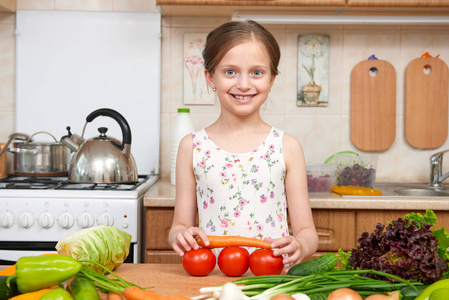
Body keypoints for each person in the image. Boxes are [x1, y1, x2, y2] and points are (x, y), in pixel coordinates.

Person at [168, 20, 319, 268]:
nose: (244, 84)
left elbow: (307, 231)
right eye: (230, 72)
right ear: (210, 77)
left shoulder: (287, 147)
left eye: (257, 72)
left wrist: (300, 246)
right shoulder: (192, 147)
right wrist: (179, 236)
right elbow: (179, 225)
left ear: (271, 79)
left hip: (271, 280)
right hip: (213, 277)